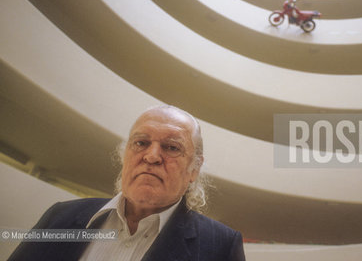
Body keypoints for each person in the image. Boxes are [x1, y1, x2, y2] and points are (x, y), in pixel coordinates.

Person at [9, 105, 246, 261]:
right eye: (141, 143)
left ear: (194, 169)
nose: (152, 156)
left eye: (172, 147)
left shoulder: (220, 247)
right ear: (125, 155)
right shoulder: (60, 217)